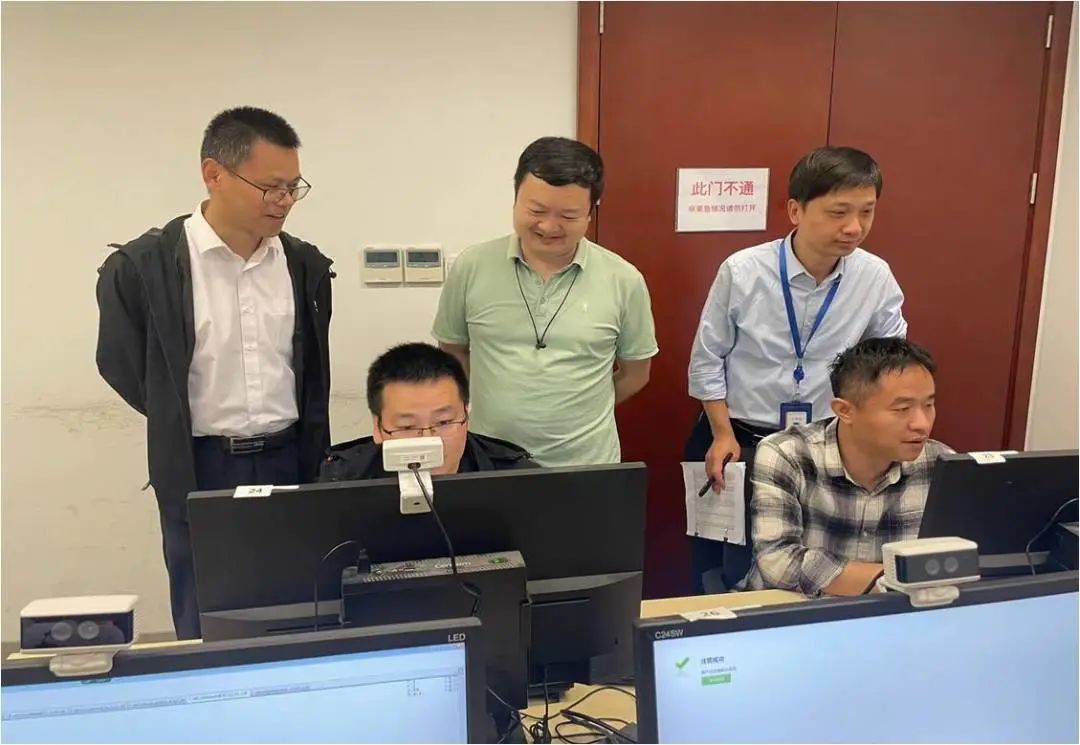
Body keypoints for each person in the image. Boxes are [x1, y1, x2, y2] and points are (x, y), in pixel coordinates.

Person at [96, 106, 333, 639]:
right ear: (213, 174)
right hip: (200, 465)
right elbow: (123, 365)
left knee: (301, 609)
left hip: (291, 458)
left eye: (293, 187)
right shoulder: (143, 267)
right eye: (270, 187)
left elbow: (310, 371)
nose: (284, 201)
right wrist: (176, 411)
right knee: (205, 617)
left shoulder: (305, 266)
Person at [685, 146, 907, 592]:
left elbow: (890, 363)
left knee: (810, 566)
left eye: (866, 212)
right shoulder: (743, 270)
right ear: (795, 210)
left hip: (823, 447)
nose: (854, 227)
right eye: (838, 212)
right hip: (739, 438)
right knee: (728, 570)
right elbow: (707, 359)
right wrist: (722, 433)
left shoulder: (875, 276)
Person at [432, 137, 658, 467]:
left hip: (587, 463)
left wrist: (579, 411)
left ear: (591, 212)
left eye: (568, 215)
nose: (549, 226)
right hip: (490, 459)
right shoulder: (472, 266)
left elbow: (635, 373)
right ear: (515, 200)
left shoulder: (624, 280)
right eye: (536, 211)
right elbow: (453, 351)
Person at [741, 338, 952, 596]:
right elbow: (779, 563)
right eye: (902, 409)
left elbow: (958, 561)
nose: (922, 424)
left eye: (928, 405)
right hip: (795, 610)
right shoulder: (787, 454)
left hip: (897, 613)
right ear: (845, 410)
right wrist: (898, 578)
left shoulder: (941, 463)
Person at [320, 342, 534, 480]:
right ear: (378, 428)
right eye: (407, 427)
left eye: (444, 422)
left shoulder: (516, 477)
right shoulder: (340, 480)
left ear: (466, 417)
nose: (428, 440)